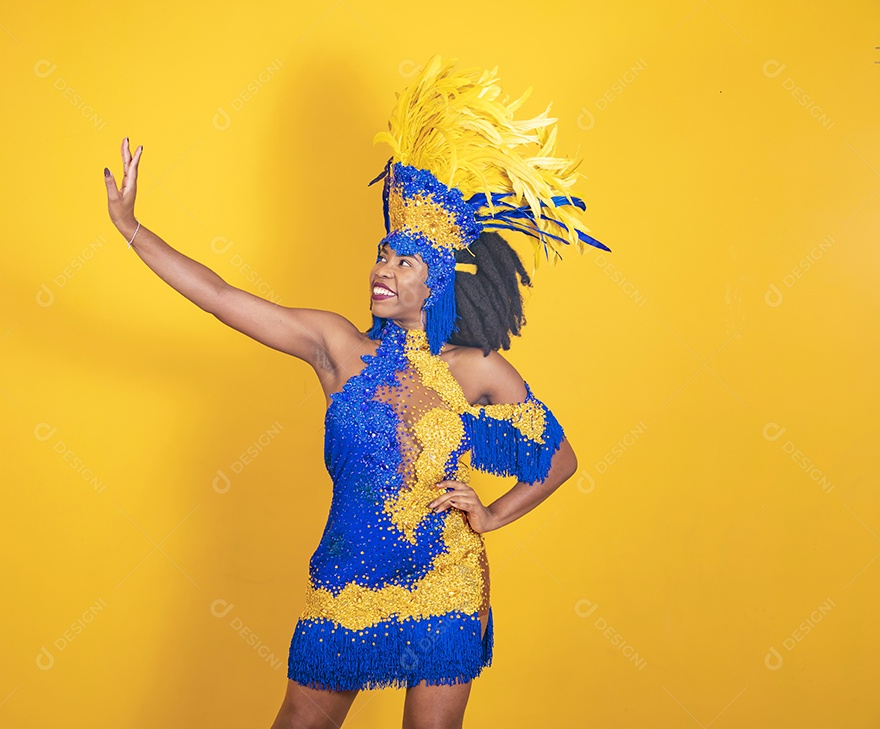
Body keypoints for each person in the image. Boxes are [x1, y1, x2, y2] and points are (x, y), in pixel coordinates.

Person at [103, 55, 609, 729]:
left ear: (436, 285)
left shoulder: (477, 369)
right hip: (348, 577)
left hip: (446, 582)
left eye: (404, 263)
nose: (383, 270)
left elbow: (559, 458)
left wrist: (488, 516)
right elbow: (223, 298)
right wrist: (133, 228)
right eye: (382, 255)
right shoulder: (339, 348)